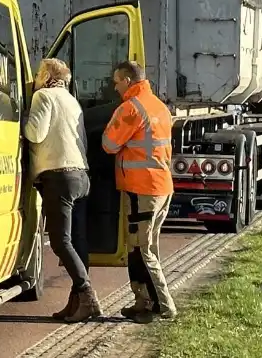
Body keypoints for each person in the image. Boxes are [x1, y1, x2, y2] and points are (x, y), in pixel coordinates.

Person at [23, 59, 100, 323]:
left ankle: (86, 294)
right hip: (81, 175)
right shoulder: (71, 100)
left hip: (59, 177)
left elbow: (35, 133)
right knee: (77, 241)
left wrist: (20, 120)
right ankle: (75, 302)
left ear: (45, 75)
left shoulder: (43, 96)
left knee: (60, 241)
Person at [102, 60, 177, 323]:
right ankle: (142, 301)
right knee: (144, 249)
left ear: (128, 81)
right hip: (160, 186)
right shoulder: (159, 106)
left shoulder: (130, 109)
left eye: (116, 81)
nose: (114, 86)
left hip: (140, 190)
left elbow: (109, 144)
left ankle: (163, 305)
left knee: (141, 250)